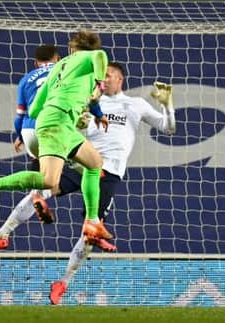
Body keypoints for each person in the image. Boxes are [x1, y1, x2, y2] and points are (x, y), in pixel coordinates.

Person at [0, 30, 113, 247]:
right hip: (58, 123)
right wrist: (99, 86)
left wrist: (71, 107)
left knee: (94, 164)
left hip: (56, 122)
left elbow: (34, 109)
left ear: (71, 48)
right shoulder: (86, 58)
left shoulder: (58, 69)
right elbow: (100, 57)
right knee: (49, 181)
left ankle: (92, 221)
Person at [46, 62, 176, 304]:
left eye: (108, 76)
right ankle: (5, 225)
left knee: (89, 234)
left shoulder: (135, 104)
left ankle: (62, 282)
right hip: (85, 163)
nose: (103, 80)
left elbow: (169, 128)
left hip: (110, 172)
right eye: (101, 77)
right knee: (46, 184)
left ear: (120, 79)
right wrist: (78, 123)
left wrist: (167, 104)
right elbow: (71, 125)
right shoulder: (92, 102)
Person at [0, 44, 60, 254]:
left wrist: (20, 136)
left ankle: (2, 234)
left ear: (35, 63)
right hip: (55, 130)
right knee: (90, 167)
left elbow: (19, 117)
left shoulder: (26, 79)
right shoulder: (64, 71)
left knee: (39, 188)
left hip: (31, 133)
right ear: (58, 60)